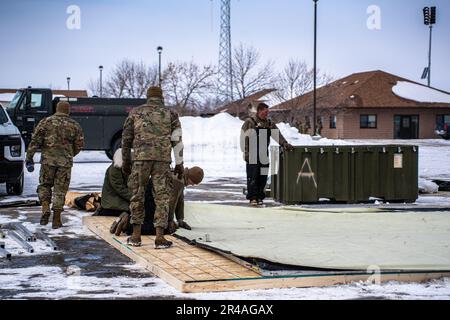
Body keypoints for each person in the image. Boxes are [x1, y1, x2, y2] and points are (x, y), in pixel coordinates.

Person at [121, 86, 184, 248]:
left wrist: (126, 162)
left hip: (141, 160)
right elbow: (177, 140)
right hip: (162, 161)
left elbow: (126, 140)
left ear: (148, 97)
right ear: (161, 97)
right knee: (162, 197)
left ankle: (135, 236)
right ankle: (160, 237)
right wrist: (179, 163)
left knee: (137, 195)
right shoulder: (171, 114)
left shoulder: (135, 113)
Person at [25, 101, 84, 228]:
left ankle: (45, 207)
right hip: (65, 163)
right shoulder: (74, 125)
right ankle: (57, 220)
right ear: (68, 111)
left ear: (56, 109)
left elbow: (34, 142)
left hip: (47, 161)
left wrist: (29, 158)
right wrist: (69, 155)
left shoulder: (45, 122)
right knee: (60, 190)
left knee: (44, 185)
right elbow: (79, 145)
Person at [110, 166, 204, 237]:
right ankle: (127, 224)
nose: (192, 185)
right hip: (151, 200)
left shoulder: (180, 175)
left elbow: (180, 200)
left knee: (153, 222)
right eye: (193, 183)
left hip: (150, 197)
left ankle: (127, 216)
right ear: (190, 178)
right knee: (159, 229)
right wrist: (169, 221)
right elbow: (171, 202)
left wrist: (180, 219)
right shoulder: (178, 180)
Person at [240, 102, 293, 206]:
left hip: (264, 153)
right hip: (252, 154)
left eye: (268, 111)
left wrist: (284, 144)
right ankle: (253, 197)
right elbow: (243, 138)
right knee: (253, 176)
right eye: (265, 111)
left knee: (263, 176)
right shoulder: (250, 122)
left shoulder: (269, 123)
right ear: (259, 111)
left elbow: (277, 135)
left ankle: (260, 196)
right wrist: (245, 153)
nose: (267, 113)